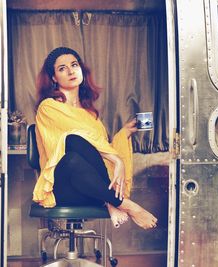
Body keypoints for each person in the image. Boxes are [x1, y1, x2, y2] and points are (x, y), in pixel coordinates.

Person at [33, 47, 157, 229]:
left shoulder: (90, 114)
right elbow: (78, 137)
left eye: (74, 65)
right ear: (53, 78)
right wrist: (117, 160)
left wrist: (124, 134)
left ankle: (111, 201)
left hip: (91, 188)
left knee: (77, 151)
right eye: (62, 68)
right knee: (72, 148)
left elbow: (99, 152)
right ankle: (126, 205)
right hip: (64, 187)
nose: (70, 71)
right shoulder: (48, 107)